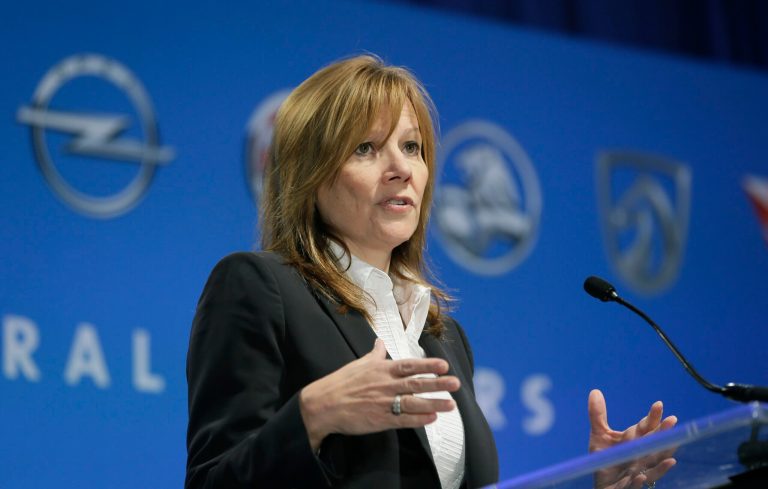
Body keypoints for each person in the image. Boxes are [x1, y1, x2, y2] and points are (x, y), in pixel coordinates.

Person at [185, 55, 677, 489]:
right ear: (308, 176)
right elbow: (212, 480)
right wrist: (314, 415)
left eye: (413, 147)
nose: (401, 168)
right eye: (366, 148)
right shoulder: (260, 287)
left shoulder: (444, 338)